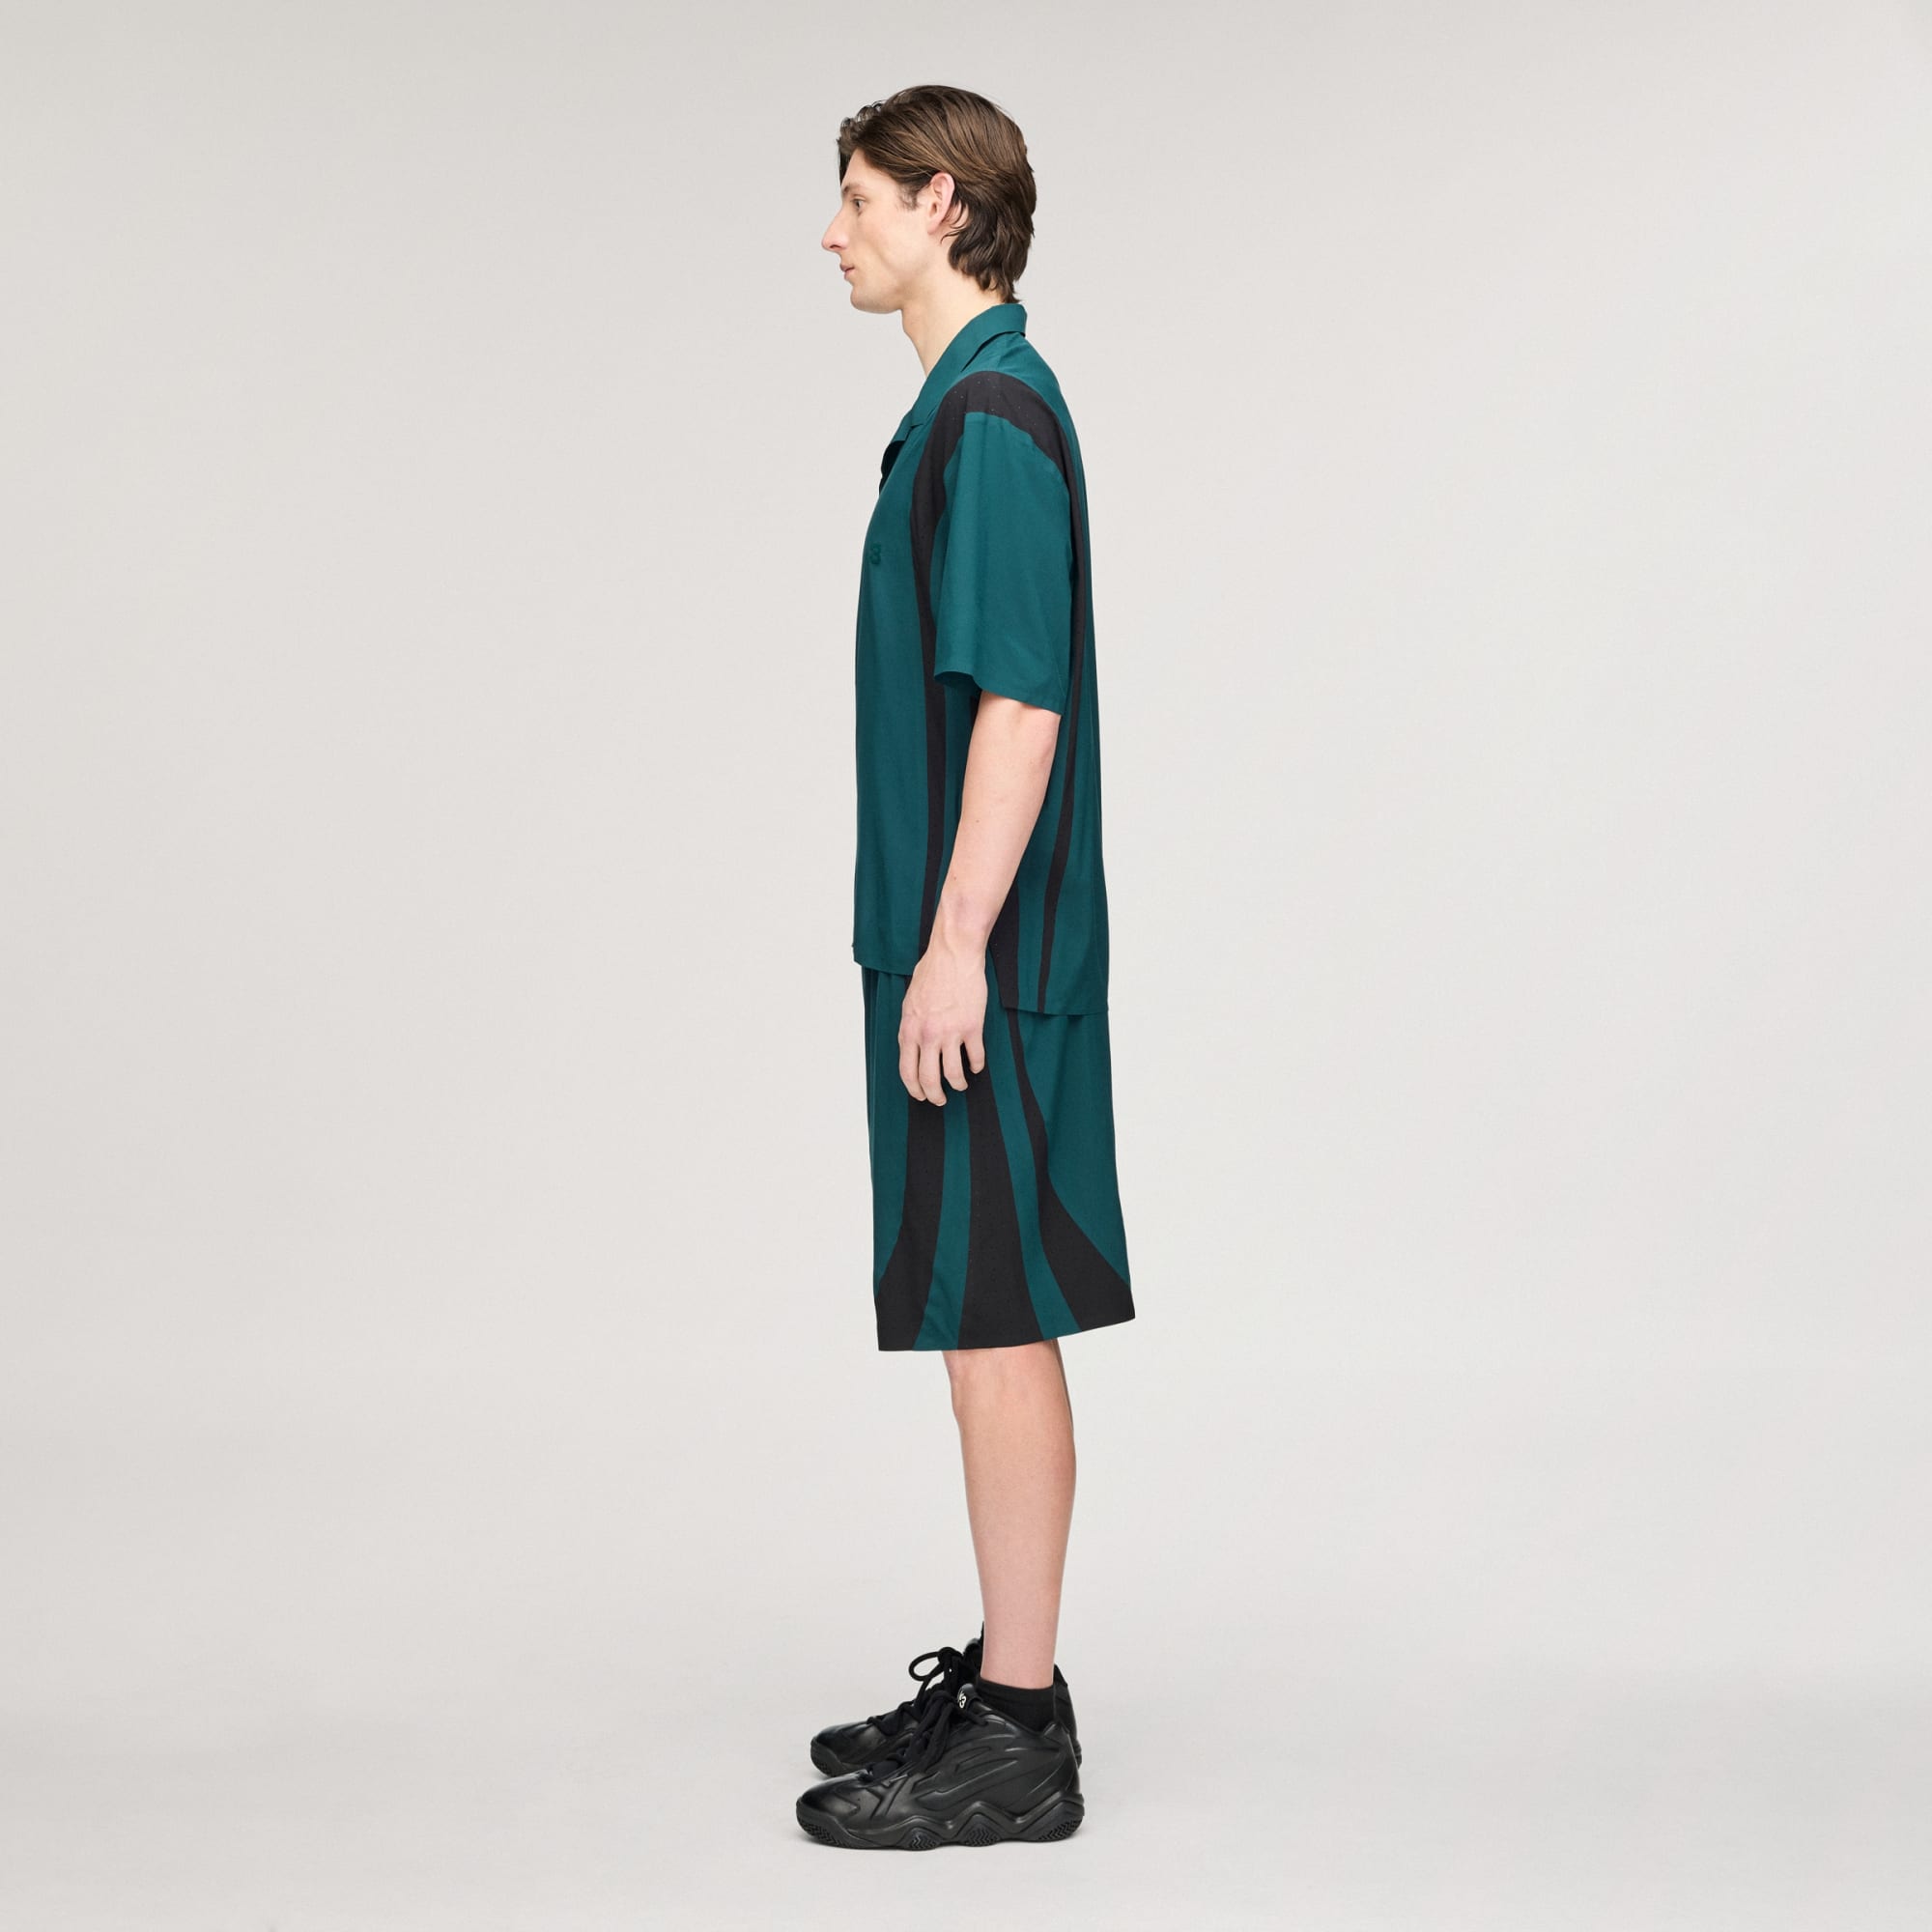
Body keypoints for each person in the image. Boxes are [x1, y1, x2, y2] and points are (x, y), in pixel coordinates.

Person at [799, 85, 1134, 1852]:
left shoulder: (991, 418)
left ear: (942, 205)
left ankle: (1016, 1738)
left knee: (995, 1323)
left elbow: (1021, 702)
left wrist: (952, 950)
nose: (834, 232)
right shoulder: (961, 409)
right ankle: (1017, 1695)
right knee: (973, 1318)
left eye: (859, 199)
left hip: (981, 961)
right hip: (959, 948)